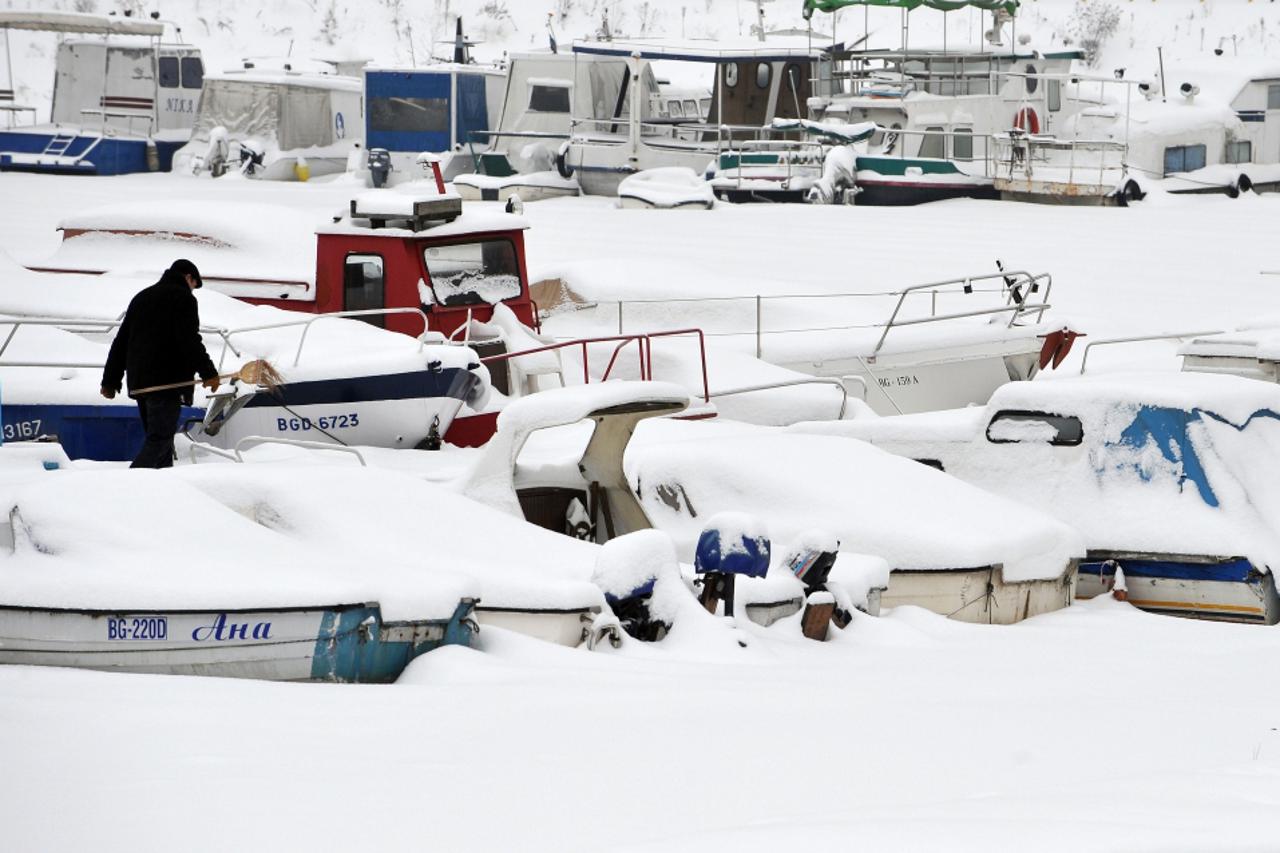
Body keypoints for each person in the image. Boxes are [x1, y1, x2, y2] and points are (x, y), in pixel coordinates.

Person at [100, 259, 221, 468]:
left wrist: (110, 381)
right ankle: (129, 484)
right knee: (159, 440)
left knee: (161, 442)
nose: (193, 290)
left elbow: (121, 342)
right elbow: (189, 340)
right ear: (188, 277)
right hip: (166, 383)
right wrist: (208, 372)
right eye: (194, 285)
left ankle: (161, 489)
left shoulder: (141, 297)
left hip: (140, 384)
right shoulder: (183, 298)